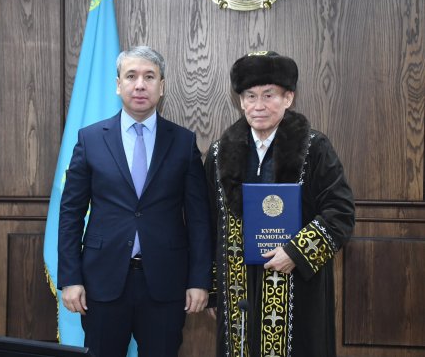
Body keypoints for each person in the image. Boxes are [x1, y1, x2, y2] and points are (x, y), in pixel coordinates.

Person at [58, 46, 212, 357]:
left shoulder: (183, 142)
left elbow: (199, 218)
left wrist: (199, 280)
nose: (140, 84)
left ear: (161, 86)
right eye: (131, 76)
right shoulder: (90, 139)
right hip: (102, 281)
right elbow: (70, 213)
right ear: (118, 85)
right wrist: (70, 278)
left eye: (149, 77)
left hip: (166, 283)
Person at [205, 51, 355, 357]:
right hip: (239, 292)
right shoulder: (220, 154)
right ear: (240, 101)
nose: (258, 105)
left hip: (298, 289)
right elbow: (209, 224)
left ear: (288, 98)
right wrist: (214, 291)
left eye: (269, 95)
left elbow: (340, 212)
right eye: (250, 96)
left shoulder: (314, 148)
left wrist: (295, 252)